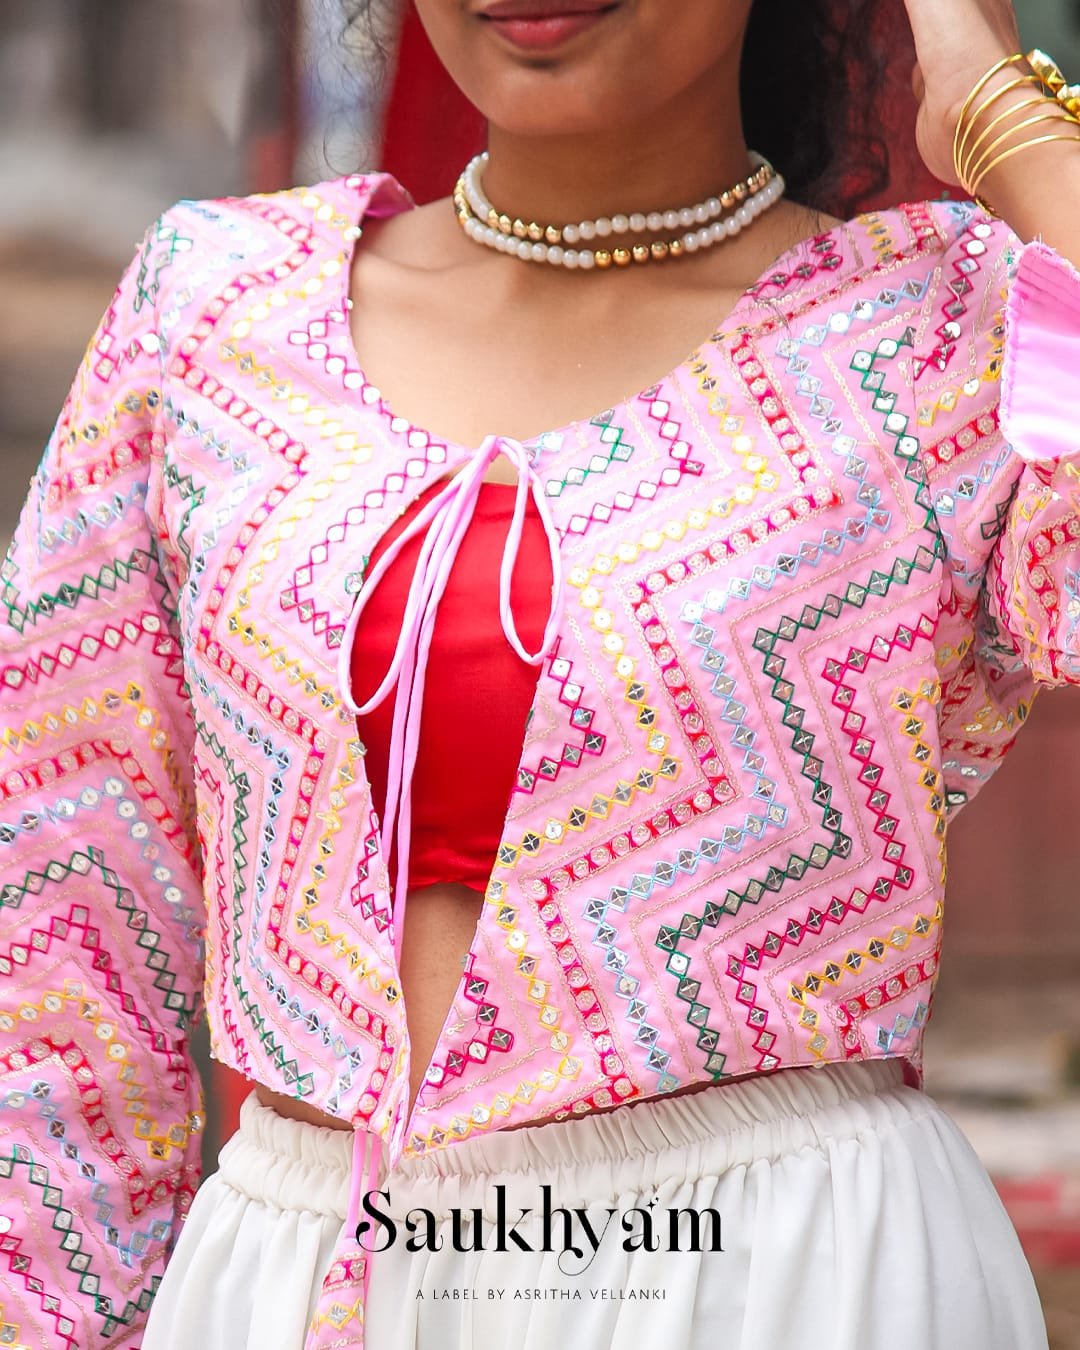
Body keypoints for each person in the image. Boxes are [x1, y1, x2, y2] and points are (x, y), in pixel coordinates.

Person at [1, 1, 1078, 1348]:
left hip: (788, 1282)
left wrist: (1001, 112)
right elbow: (63, 925)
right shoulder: (211, 310)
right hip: (292, 1284)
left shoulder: (934, 331)